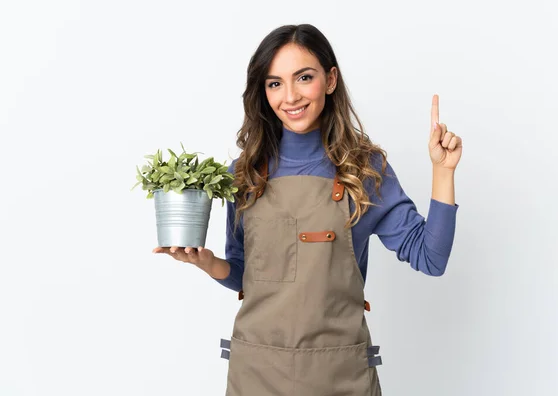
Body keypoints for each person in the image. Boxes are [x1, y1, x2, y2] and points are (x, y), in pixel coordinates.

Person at [153, 23, 461, 395]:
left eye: (304, 77)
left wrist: (443, 171)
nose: (291, 96)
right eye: (275, 83)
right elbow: (244, 274)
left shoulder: (364, 170)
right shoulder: (244, 172)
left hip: (339, 375)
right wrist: (206, 263)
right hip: (257, 374)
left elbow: (431, 258)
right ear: (263, 91)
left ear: (330, 80)